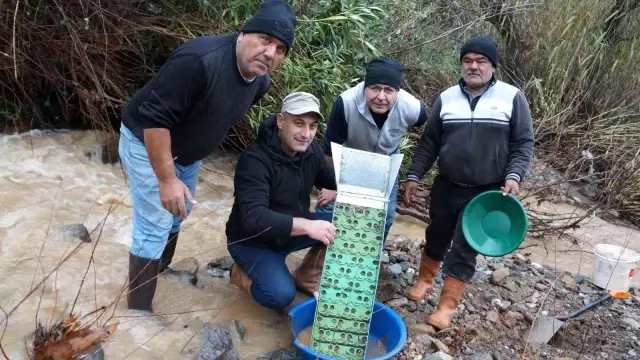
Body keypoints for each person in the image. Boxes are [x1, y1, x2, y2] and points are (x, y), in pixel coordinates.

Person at [118, 0, 297, 312]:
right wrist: (167, 179)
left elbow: (219, 114)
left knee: (178, 212)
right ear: (243, 34)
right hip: (146, 142)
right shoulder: (199, 60)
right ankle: (138, 314)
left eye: (281, 48)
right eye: (265, 40)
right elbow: (155, 120)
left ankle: (159, 272)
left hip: (187, 153)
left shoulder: (260, 82)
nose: (271, 53)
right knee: (154, 225)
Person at [403, 35, 534, 330]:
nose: (473, 66)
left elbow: (523, 143)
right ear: (462, 64)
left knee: (464, 246)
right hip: (447, 184)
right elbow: (429, 142)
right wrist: (414, 176)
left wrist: (514, 176)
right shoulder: (447, 98)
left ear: (493, 67)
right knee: (436, 233)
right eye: (467, 61)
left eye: (481, 61)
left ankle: (446, 306)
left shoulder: (512, 97)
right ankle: (425, 278)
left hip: (487, 191)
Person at [225, 92, 337, 312]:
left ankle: (307, 276)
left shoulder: (311, 149)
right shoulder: (254, 160)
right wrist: (308, 226)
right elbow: (254, 218)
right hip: (254, 241)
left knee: (342, 224)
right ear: (280, 121)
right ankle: (239, 274)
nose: (306, 134)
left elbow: (331, 179)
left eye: (312, 126)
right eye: (298, 123)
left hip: (290, 232)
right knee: (281, 297)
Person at [315, 56, 428, 241]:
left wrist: (414, 175)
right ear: (365, 87)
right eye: (375, 88)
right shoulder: (346, 103)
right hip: (349, 155)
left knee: (386, 215)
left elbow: (428, 135)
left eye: (388, 90)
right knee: (328, 206)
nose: (381, 97)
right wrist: (329, 185)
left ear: (397, 92)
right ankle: (317, 258)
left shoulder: (413, 108)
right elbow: (330, 148)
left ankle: (371, 253)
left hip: (386, 160)